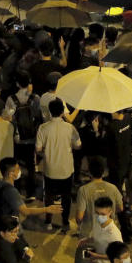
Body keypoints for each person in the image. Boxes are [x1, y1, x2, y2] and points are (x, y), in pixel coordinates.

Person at [35, 98, 81, 231]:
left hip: (50, 169)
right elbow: (78, 145)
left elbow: (38, 149)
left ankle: (48, 222)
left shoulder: (43, 128)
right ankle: (65, 222)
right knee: (66, 197)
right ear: (62, 112)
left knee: (49, 196)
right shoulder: (70, 128)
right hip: (66, 169)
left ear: (50, 111)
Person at [72, 196, 123, 263]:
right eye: (97, 213)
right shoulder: (97, 221)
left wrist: (96, 256)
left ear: (110, 212)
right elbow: (97, 236)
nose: (99, 216)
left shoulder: (114, 234)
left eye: (103, 214)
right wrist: (87, 240)